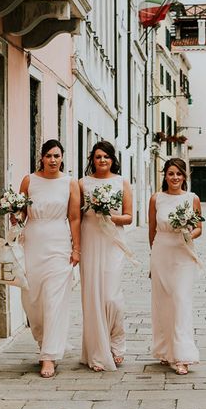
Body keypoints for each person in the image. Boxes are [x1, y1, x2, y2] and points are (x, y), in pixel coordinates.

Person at [18, 140, 81, 378]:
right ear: (42, 158)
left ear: (62, 157)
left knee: (54, 299)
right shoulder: (29, 180)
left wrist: (76, 249)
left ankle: (48, 357)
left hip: (58, 243)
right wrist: (15, 215)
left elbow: (74, 218)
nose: (53, 160)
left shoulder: (70, 183)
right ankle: (44, 340)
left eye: (57, 156)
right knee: (32, 299)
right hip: (32, 242)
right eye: (49, 156)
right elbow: (21, 212)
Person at [79, 141, 133, 371]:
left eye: (106, 157)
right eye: (98, 157)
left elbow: (129, 216)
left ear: (113, 159)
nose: (102, 161)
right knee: (92, 296)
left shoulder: (121, 182)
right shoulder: (82, 183)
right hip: (90, 238)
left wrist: (107, 214)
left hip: (113, 241)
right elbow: (76, 214)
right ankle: (96, 350)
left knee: (112, 297)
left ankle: (116, 343)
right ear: (92, 158)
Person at [148, 158, 202, 375]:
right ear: (165, 176)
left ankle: (181, 355)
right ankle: (164, 349)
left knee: (180, 300)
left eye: (179, 174)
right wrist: (151, 258)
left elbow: (199, 228)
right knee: (163, 303)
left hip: (183, 254)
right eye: (171, 173)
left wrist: (188, 233)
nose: (175, 177)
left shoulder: (192, 199)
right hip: (161, 252)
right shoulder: (156, 199)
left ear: (184, 176)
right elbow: (151, 230)